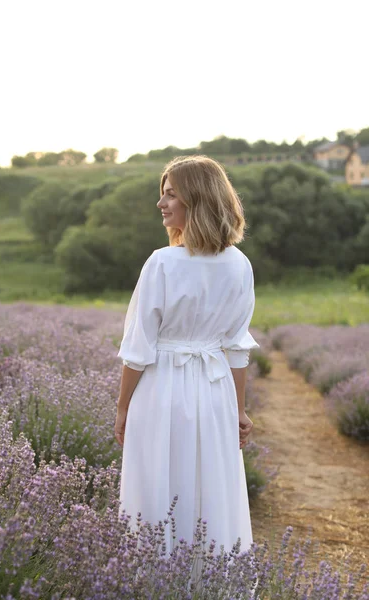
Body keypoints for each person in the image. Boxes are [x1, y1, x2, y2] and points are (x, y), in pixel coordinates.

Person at [115, 155, 260, 562]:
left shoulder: (161, 263)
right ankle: (212, 577)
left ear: (196, 200)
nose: (161, 204)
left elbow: (138, 348)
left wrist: (123, 407)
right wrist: (239, 410)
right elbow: (236, 348)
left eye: (171, 195)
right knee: (212, 486)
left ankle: (154, 579)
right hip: (215, 394)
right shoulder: (240, 265)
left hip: (161, 390)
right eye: (162, 195)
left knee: (156, 489)